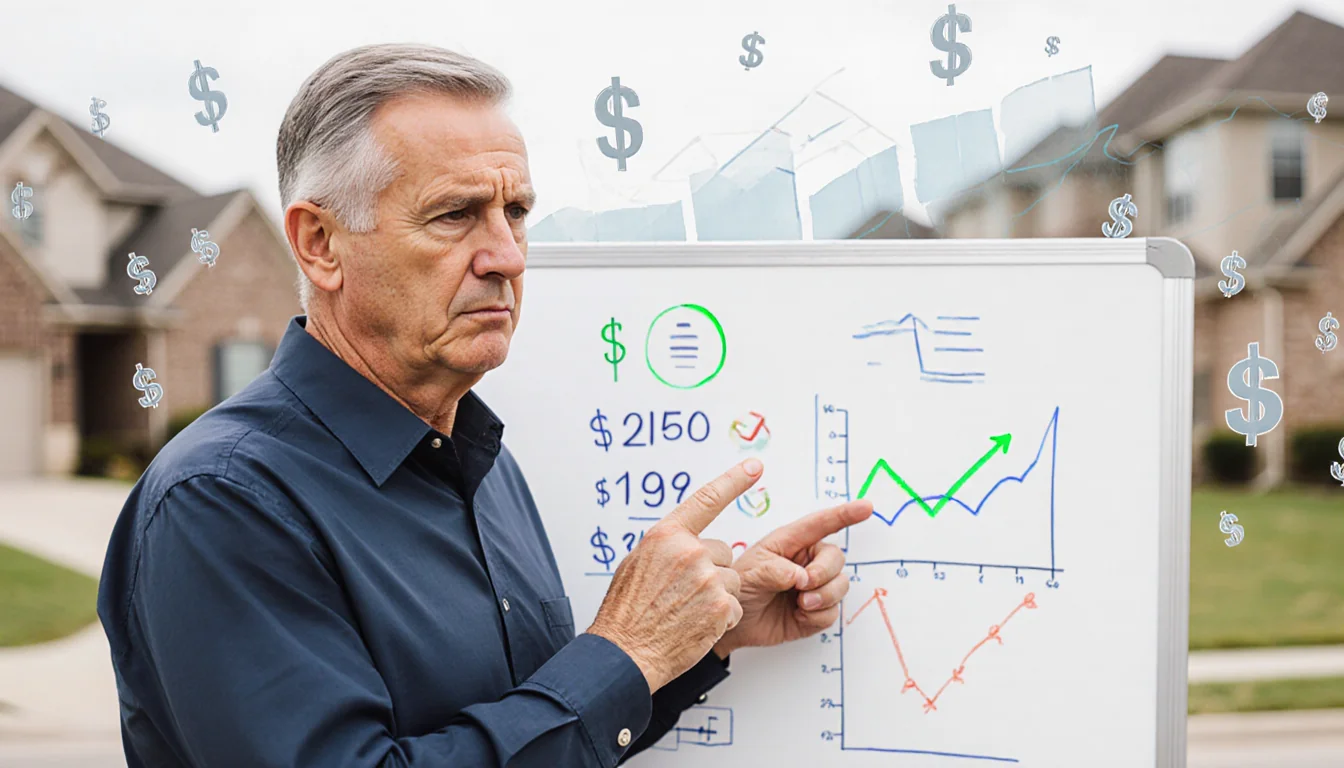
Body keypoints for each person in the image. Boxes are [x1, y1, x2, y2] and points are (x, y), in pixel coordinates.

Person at [96, 42, 873, 768]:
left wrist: (697, 638)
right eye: (455, 214)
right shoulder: (223, 501)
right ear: (320, 245)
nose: (505, 255)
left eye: (517, 213)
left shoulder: (481, 462)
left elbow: (535, 733)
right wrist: (624, 652)